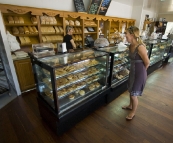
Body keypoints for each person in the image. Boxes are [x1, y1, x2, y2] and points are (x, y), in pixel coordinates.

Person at [122, 26, 150, 120]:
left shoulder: (140, 47)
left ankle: (133, 112)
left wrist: (142, 72)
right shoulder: (130, 46)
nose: (125, 35)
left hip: (139, 73)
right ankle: (130, 106)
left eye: (126, 33)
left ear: (132, 35)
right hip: (132, 71)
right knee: (131, 90)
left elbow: (147, 62)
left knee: (134, 94)